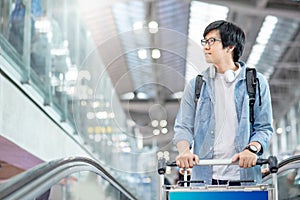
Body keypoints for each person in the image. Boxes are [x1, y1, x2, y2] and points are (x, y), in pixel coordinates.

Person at [173, 20, 273, 186]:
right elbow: (183, 127)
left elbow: (264, 127)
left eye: (212, 41)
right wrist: (184, 151)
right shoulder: (197, 85)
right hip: (204, 179)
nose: (205, 47)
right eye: (204, 42)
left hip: (245, 179)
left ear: (230, 46)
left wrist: (252, 149)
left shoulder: (255, 82)